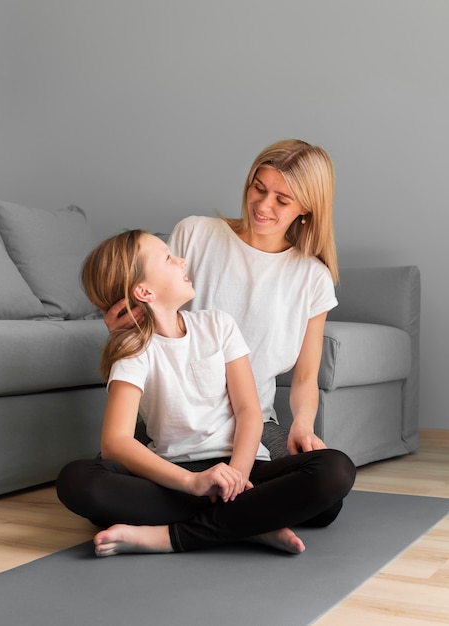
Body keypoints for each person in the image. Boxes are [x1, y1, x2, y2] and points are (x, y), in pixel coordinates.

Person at [56, 229, 355, 556]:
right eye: (169, 258)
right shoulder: (134, 349)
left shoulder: (218, 324)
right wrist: (192, 483)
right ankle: (249, 525)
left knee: (335, 473)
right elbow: (115, 443)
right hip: (178, 476)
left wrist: (238, 480)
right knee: (78, 481)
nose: (182, 260)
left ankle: (170, 537)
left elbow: (249, 412)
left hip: (244, 466)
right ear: (144, 290)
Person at [104, 139, 339, 460]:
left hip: (254, 422)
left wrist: (303, 425)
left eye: (282, 200)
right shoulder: (194, 233)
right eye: (258, 188)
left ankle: (194, 498)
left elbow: (305, 377)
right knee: (97, 480)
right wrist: (121, 331)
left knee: (326, 476)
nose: (263, 205)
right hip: (174, 419)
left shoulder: (313, 278)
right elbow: (152, 320)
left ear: (306, 208)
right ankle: (213, 497)